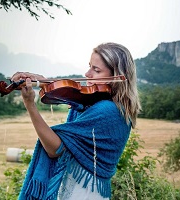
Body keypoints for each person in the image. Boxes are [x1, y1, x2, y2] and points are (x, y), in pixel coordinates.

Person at [11, 42, 141, 200]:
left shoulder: (107, 111)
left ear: (117, 76)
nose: (87, 74)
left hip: (83, 193)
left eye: (96, 70)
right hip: (86, 190)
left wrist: (30, 105)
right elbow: (76, 98)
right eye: (89, 66)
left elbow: (55, 149)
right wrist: (44, 82)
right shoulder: (110, 106)